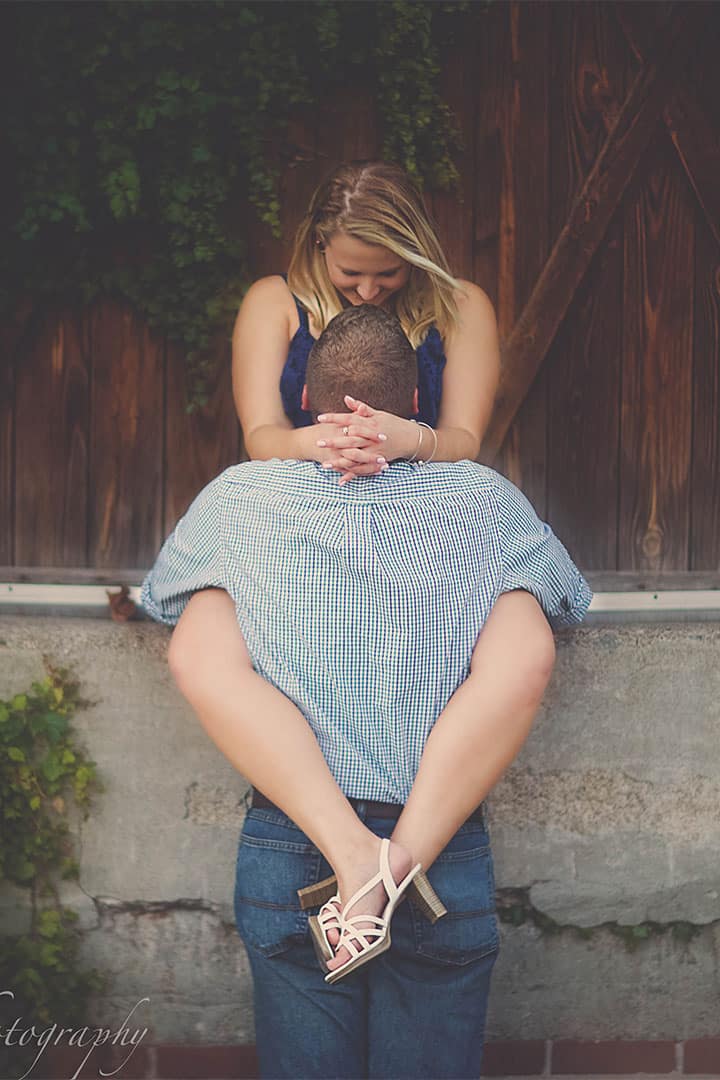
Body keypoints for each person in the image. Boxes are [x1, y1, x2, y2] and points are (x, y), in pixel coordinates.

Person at [142, 303, 592, 1078]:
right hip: (438, 849)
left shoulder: (239, 500)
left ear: (307, 401)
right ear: (417, 401)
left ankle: (359, 862)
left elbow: (164, 599)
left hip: (292, 842)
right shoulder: (483, 502)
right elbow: (567, 604)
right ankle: (387, 865)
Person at [166, 161, 559, 977]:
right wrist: (325, 441)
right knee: (204, 643)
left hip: (422, 509)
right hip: (299, 511)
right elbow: (261, 433)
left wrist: (405, 439)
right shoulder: (272, 302)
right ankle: (361, 857)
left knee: (519, 647)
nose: (373, 290)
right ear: (318, 247)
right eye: (352, 274)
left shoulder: (461, 306)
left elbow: (462, 440)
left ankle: (379, 865)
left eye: (390, 274)